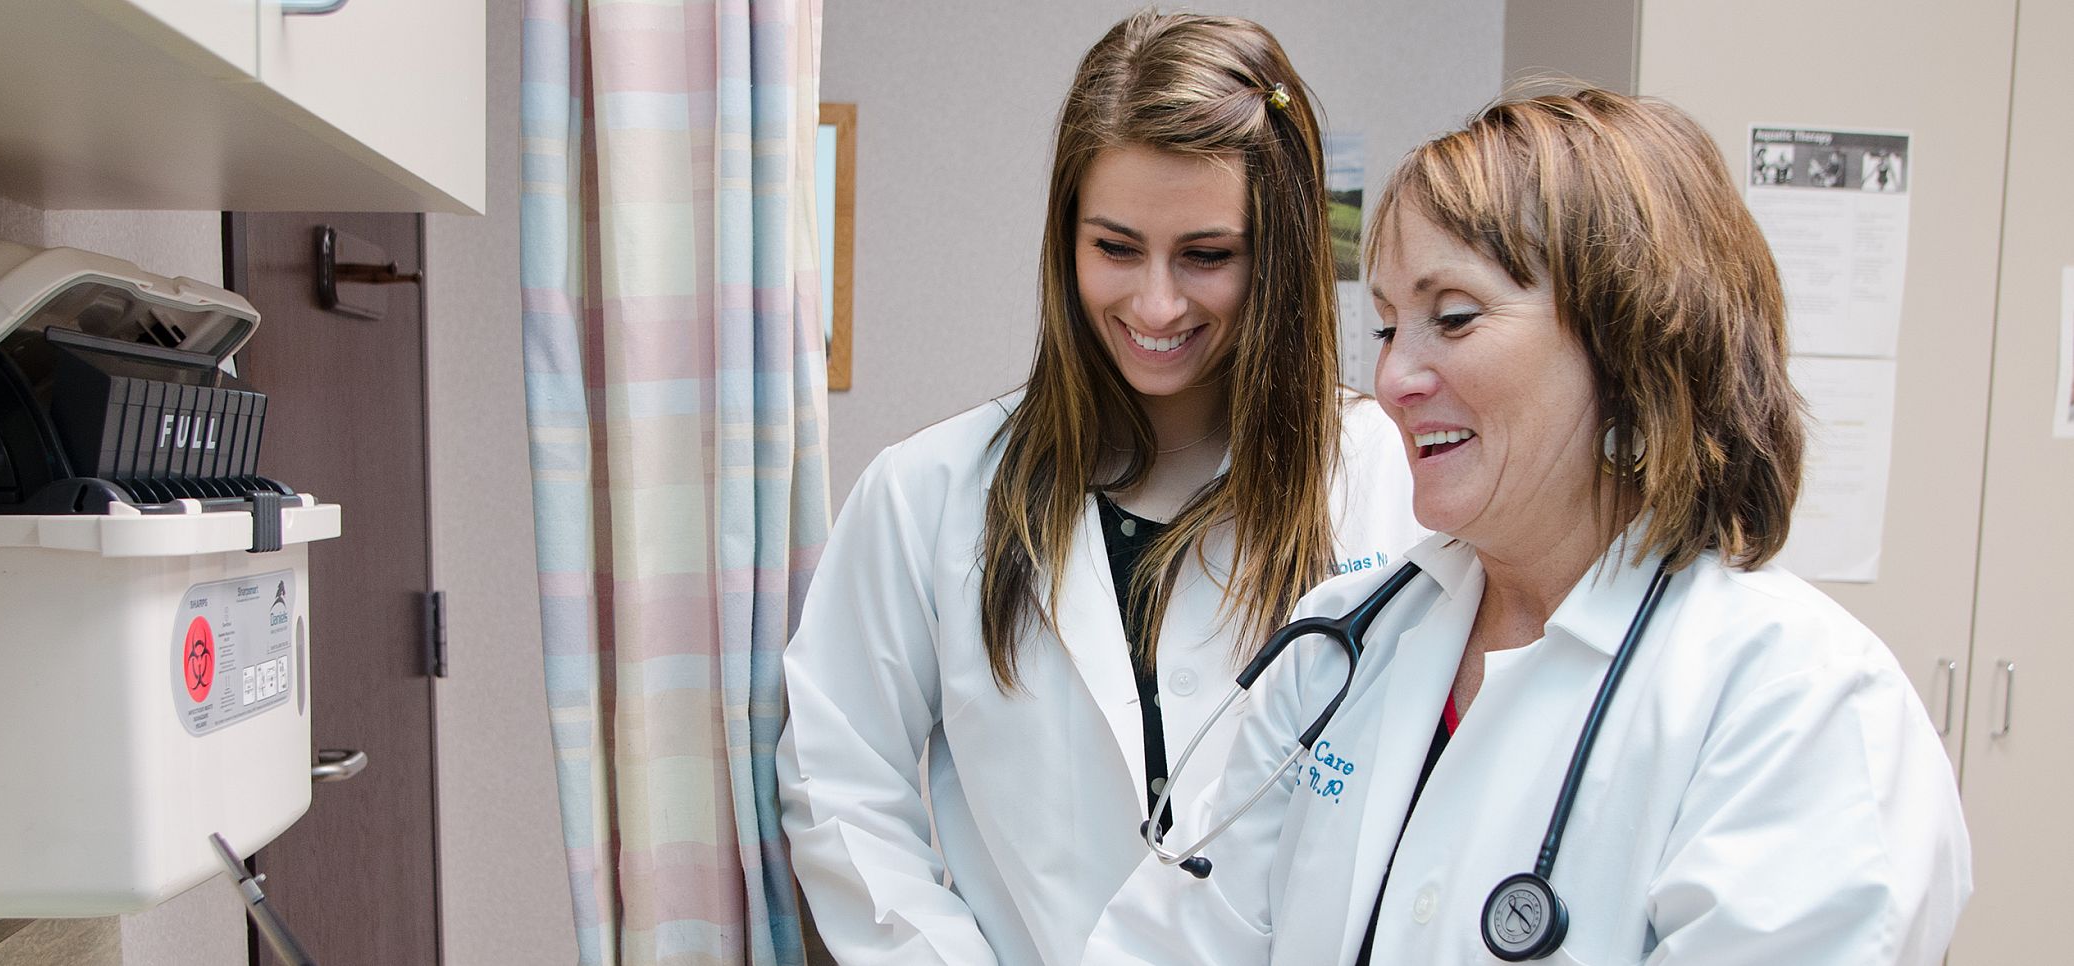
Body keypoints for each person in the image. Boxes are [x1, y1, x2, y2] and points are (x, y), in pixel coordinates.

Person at [1082, 87, 1971, 965]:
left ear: (1631, 341)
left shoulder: (1797, 705)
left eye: (1454, 318)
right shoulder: (1343, 646)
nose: (1393, 380)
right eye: (1389, 328)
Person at [776, 11, 1423, 966]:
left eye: (1206, 256)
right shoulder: (931, 493)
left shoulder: (1380, 476)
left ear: (1278, 256)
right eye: (1116, 248)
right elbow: (839, 781)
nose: (1156, 305)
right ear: (1065, 240)